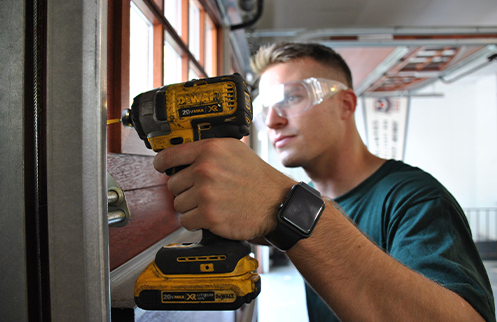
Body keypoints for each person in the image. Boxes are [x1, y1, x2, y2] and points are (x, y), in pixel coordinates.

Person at [153, 42, 495, 321]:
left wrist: (287, 207)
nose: (272, 120)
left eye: (292, 97)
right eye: (265, 105)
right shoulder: (317, 197)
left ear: (345, 104)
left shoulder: (415, 199)